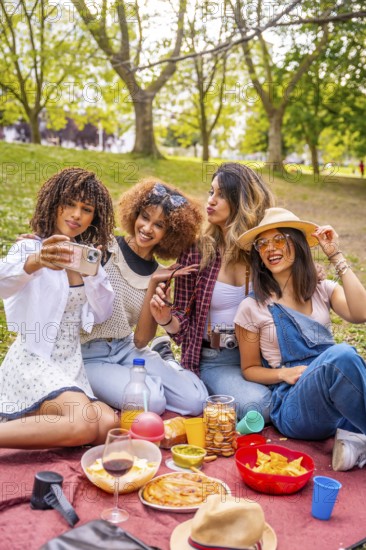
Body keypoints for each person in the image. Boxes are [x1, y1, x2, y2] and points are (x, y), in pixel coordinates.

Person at [234, 207, 366, 471]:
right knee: (341, 356)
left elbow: (361, 313)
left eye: (280, 239)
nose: (271, 248)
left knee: (339, 360)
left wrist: (335, 255)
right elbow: (249, 370)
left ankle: (354, 442)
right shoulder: (252, 307)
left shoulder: (322, 290)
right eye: (263, 243)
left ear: (298, 243)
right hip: (294, 406)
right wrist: (283, 374)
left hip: (333, 399)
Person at [0, 167, 119, 449]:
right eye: (69, 204)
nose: (76, 215)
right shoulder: (30, 249)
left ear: (94, 217)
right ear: (54, 204)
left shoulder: (87, 259)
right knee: (84, 423)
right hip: (33, 359)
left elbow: (103, 313)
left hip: (69, 363)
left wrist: (93, 275)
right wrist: (36, 261)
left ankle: (32, 419)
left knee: (108, 425)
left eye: (86, 209)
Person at [150, 163, 275, 422]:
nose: (211, 201)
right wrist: (165, 319)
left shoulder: (264, 251)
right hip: (216, 358)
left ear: (241, 202)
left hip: (263, 356)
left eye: (220, 195)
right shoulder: (197, 251)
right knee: (259, 406)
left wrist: (314, 272)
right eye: (210, 192)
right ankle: (175, 368)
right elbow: (182, 325)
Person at [80, 178, 208, 416]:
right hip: (89, 354)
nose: (148, 228)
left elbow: (140, 341)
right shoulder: (105, 248)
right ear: (134, 214)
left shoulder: (159, 273)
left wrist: (153, 284)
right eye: (145, 217)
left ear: (170, 234)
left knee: (195, 401)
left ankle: (166, 361)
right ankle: (150, 377)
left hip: (126, 347)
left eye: (159, 225)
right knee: (152, 402)